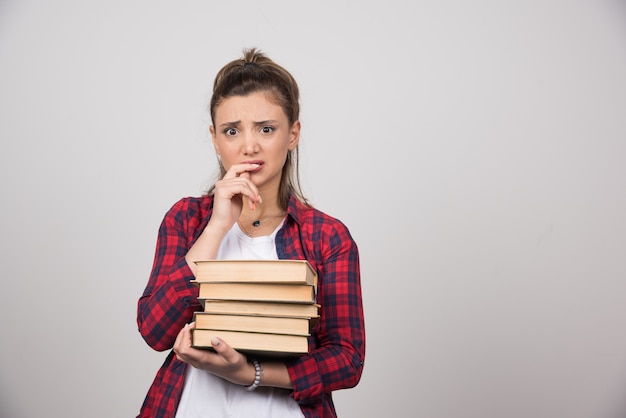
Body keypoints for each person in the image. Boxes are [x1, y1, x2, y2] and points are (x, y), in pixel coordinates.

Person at [136, 48, 365, 418]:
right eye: (231, 131)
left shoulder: (327, 236)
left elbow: (347, 358)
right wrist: (218, 226)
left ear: (293, 134)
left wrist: (250, 374)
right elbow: (154, 330)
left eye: (266, 128)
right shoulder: (186, 219)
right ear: (214, 138)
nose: (249, 146)